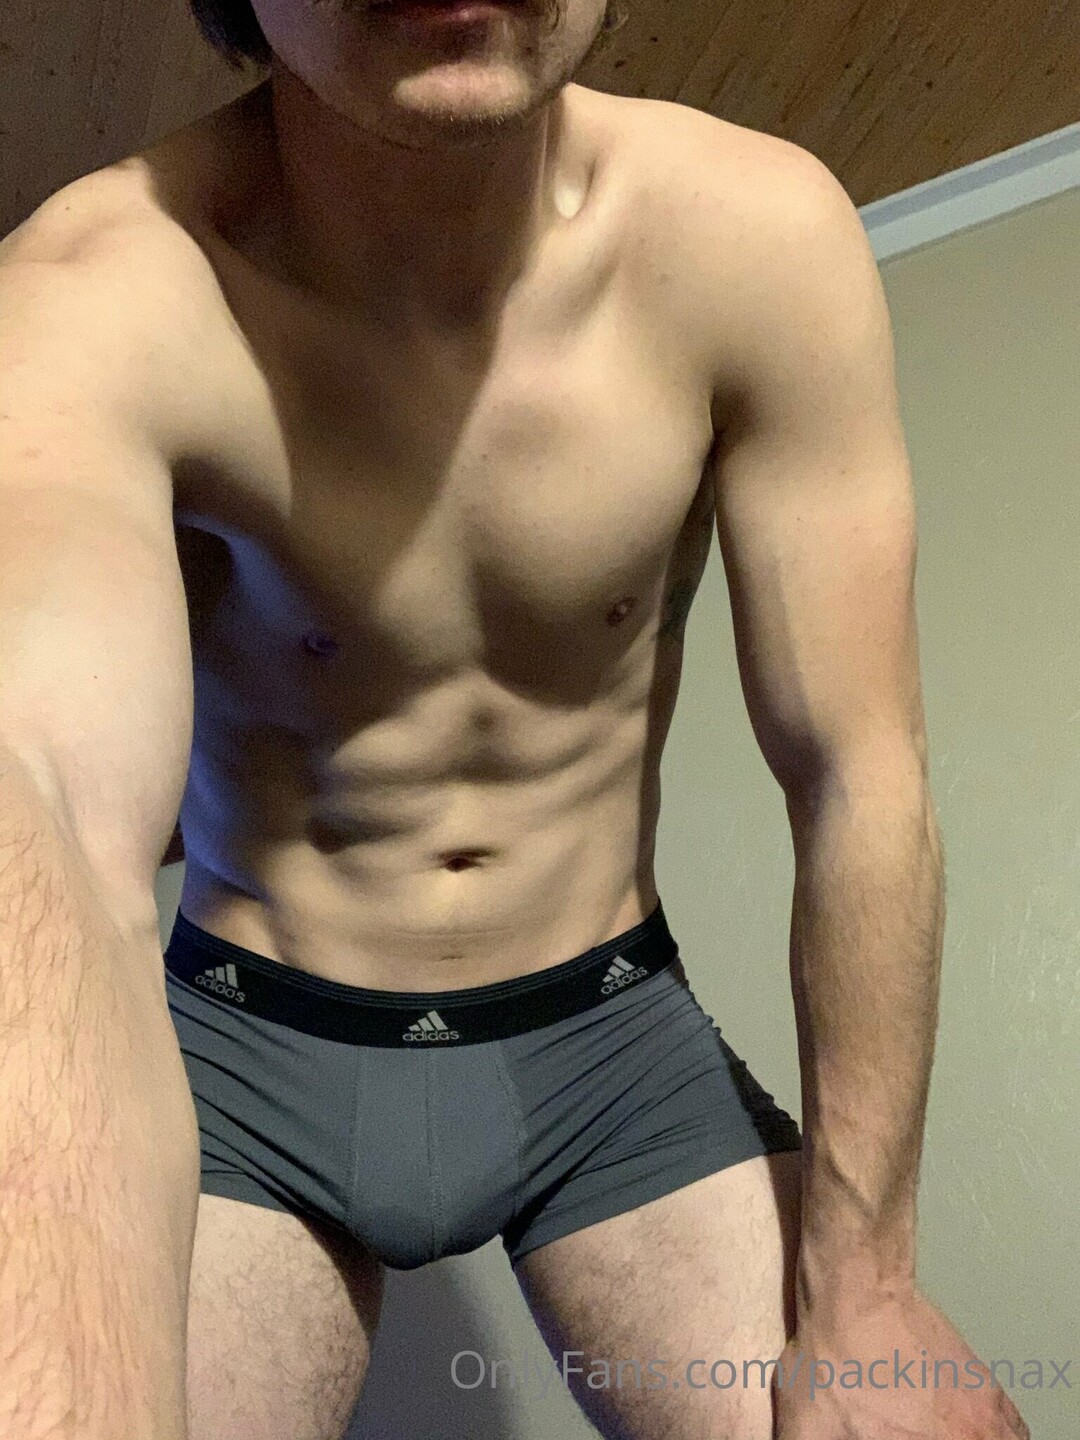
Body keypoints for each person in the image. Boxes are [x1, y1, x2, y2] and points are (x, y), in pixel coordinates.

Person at [0, 0, 1030, 1437]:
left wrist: (866, 1287)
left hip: (612, 1053)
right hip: (247, 1057)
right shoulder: (92, 291)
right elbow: (35, 785)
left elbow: (860, 771)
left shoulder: (754, 241)